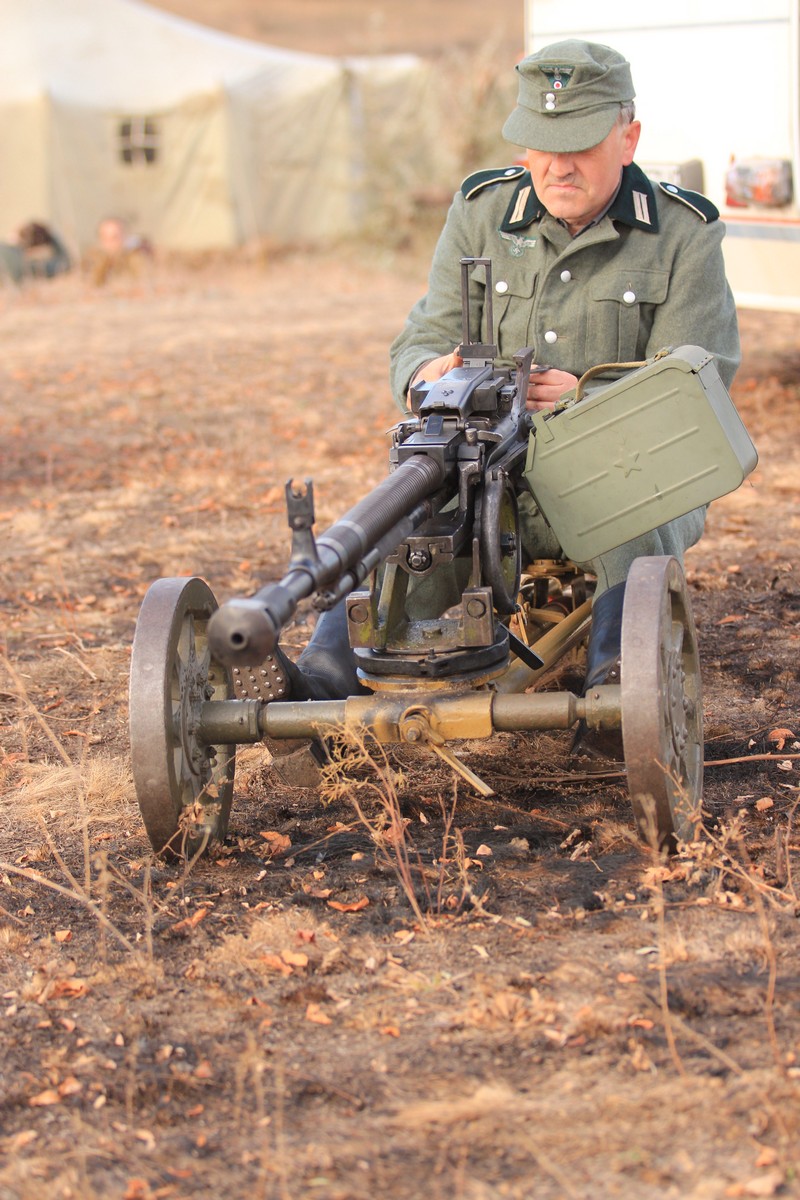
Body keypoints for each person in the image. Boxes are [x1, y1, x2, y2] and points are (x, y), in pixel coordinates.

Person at [259, 39, 741, 775]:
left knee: (632, 510)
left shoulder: (682, 231)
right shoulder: (483, 210)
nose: (558, 167)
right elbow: (419, 339)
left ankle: (619, 687)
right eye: (542, 145)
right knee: (406, 520)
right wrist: (435, 374)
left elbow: (697, 379)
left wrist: (590, 398)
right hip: (487, 469)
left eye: (580, 145)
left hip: (625, 468)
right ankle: (319, 689)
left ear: (628, 137)